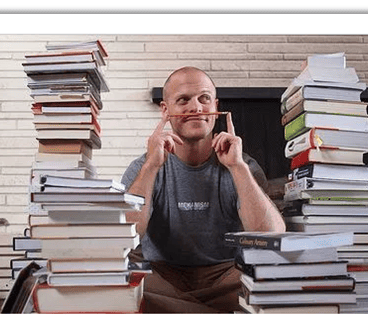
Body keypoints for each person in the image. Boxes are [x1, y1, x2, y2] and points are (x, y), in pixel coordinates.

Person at [121, 66, 285, 313]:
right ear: (165, 110)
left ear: (215, 107)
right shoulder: (142, 167)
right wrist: (151, 166)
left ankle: (179, 314)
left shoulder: (243, 165)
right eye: (183, 100)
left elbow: (272, 236)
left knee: (275, 272)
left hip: (226, 278)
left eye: (204, 99)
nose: (196, 108)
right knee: (121, 272)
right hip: (162, 277)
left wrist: (237, 167)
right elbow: (123, 237)